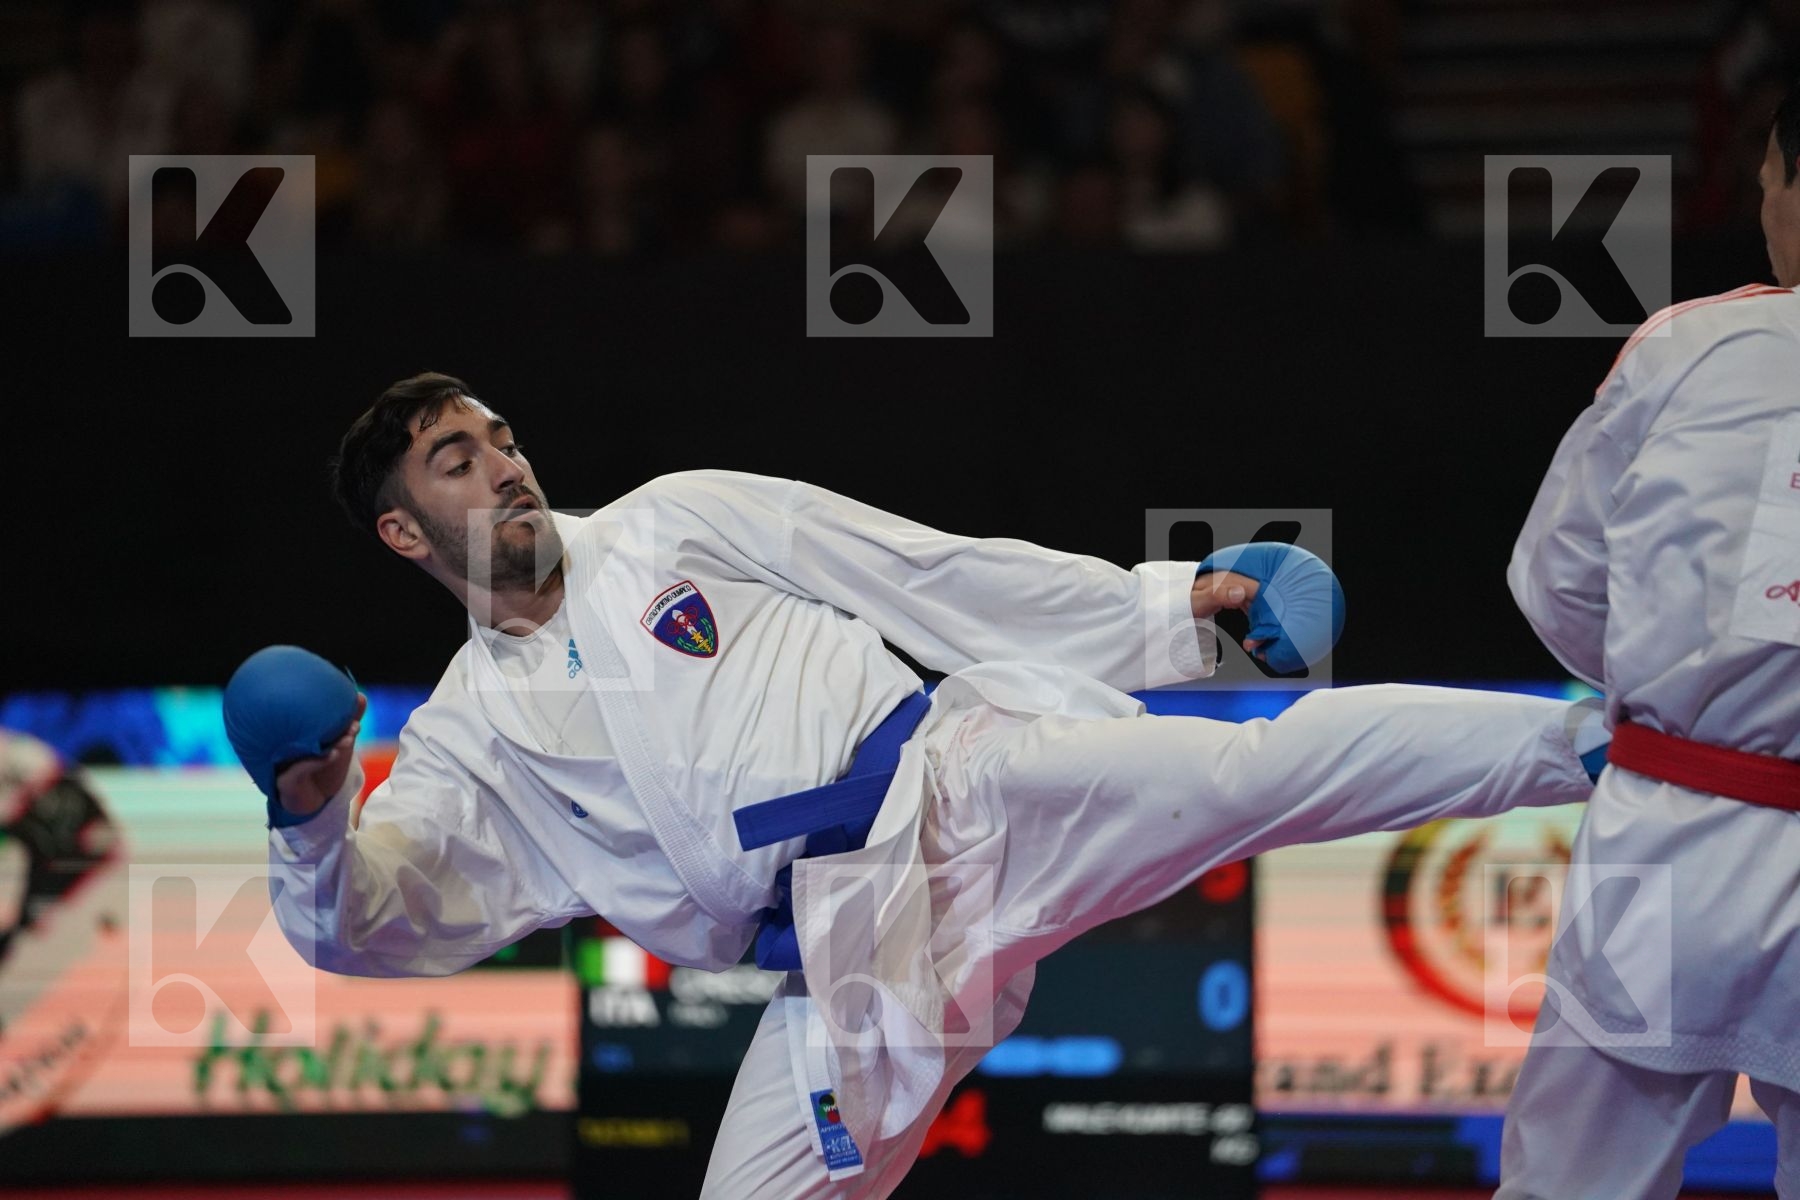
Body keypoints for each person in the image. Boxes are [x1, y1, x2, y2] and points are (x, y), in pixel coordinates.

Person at [236, 372, 1601, 1198]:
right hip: (845, 961)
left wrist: (1183, 610)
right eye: (457, 460)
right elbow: (363, 921)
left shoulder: (672, 520)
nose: (507, 465)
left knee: (1256, 766)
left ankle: (1592, 743)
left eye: (502, 435)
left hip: (964, 785)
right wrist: (307, 817)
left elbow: (930, 569)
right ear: (407, 530)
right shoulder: (473, 738)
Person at [1494, 79, 1800, 1200]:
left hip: (1678, 835)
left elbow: (1557, 584)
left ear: (1787, 183)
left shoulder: (1689, 347)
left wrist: (1673, 680)